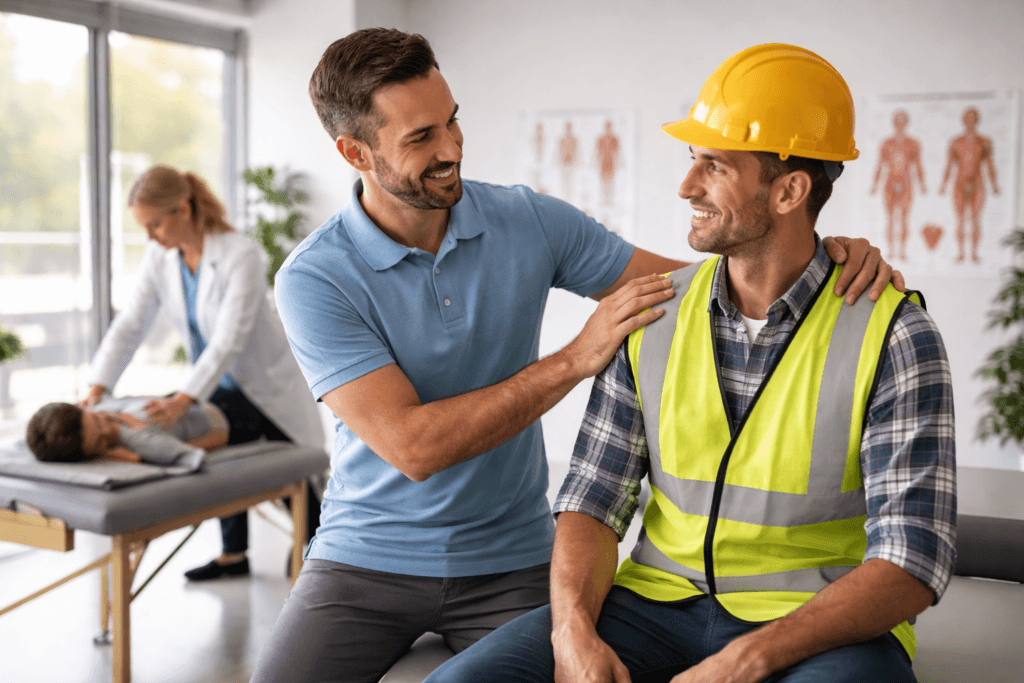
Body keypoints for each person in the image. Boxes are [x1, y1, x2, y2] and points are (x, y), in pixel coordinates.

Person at [251, 30, 901, 683]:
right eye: (421, 137)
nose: (451, 148)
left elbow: (700, 288)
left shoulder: (526, 220)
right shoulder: (315, 277)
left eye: (452, 121)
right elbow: (414, 447)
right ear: (355, 152)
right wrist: (575, 358)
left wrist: (816, 254)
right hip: (365, 559)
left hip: (510, 558)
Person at [426, 43, 955, 683]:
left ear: (790, 190)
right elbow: (593, 500)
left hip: (817, 622)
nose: (686, 186)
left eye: (716, 166)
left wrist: (745, 660)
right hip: (655, 604)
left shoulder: (895, 336)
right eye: (691, 160)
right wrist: (572, 631)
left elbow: (912, 559)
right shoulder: (652, 314)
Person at [83, 165, 324, 582]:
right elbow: (131, 324)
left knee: (293, 467)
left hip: (263, 386)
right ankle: (234, 554)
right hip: (212, 385)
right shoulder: (161, 258)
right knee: (220, 447)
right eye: (144, 227)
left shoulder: (240, 254)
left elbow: (229, 339)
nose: (150, 236)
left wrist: (182, 399)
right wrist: (98, 386)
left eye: (155, 224)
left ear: (183, 209)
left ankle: (315, 542)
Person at [26, 396, 228, 465]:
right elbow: (216, 438)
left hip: (211, 405)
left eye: (97, 419)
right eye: (100, 442)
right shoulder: (135, 438)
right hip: (221, 417)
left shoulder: (102, 410)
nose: (109, 429)